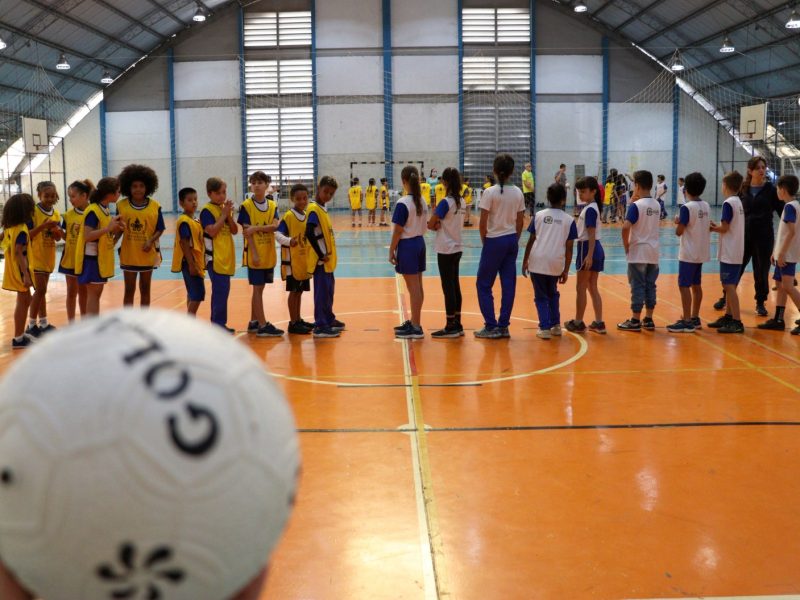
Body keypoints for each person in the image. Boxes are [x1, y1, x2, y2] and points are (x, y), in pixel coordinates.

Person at [712, 156, 784, 317]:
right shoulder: (742, 190)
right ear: (750, 171)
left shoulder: (771, 190)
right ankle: (726, 297)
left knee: (761, 271)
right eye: (758, 167)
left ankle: (760, 302)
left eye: (763, 167)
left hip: (764, 237)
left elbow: (782, 212)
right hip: (743, 237)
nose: (761, 170)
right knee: (736, 269)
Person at [475, 153, 525, 339]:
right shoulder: (518, 192)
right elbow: (520, 221)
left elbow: (483, 222)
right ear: (512, 171)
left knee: (483, 284)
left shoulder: (489, 192)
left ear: (494, 171)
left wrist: (485, 242)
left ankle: (490, 326)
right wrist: (515, 239)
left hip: (494, 240)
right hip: (511, 240)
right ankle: (503, 326)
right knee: (508, 283)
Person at [522, 183, 577, 340]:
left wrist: (525, 260)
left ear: (547, 198)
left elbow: (531, 240)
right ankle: (556, 326)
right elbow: (569, 248)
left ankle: (544, 327)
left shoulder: (538, 216)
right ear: (564, 199)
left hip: (537, 261)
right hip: (555, 263)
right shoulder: (569, 220)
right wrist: (566, 269)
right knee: (552, 293)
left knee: (540, 295)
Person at [238, 171, 282, 338]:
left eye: (259, 182)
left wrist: (256, 228)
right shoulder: (246, 206)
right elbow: (246, 232)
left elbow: (275, 226)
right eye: (253, 182)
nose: (256, 185)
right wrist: (254, 254)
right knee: (257, 289)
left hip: (268, 253)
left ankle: (253, 322)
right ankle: (263, 325)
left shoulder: (272, 205)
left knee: (260, 289)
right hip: (255, 255)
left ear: (266, 185)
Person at [116, 164, 166, 307]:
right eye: (134, 186)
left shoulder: (155, 206)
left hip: (146, 254)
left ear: (148, 187)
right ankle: (128, 322)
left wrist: (150, 241)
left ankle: (143, 322)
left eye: (141, 186)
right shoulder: (122, 205)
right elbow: (119, 228)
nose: (138, 189)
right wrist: (112, 242)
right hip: (129, 254)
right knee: (129, 290)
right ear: (128, 188)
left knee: (145, 289)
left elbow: (160, 228)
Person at [667, 172, 710, 333]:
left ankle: (686, 320)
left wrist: (677, 223)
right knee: (696, 285)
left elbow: (679, 232)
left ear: (685, 189)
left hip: (688, 252)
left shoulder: (687, 207)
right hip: (701, 252)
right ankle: (695, 317)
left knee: (684, 285)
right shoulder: (705, 205)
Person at [757, 174, 800, 334]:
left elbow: (790, 232)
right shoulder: (794, 205)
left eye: (777, 188)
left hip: (786, 255)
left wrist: (781, 253)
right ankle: (779, 319)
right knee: (781, 286)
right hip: (783, 253)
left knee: (788, 286)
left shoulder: (789, 207)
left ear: (783, 190)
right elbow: (784, 233)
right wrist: (776, 252)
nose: (776, 191)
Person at [74, 177, 124, 316]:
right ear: (110, 193)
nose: (120, 194)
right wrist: (108, 228)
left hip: (99, 258)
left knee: (96, 295)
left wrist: (117, 228)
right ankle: (91, 328)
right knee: (93, 295)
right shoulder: (93, 210)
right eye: (118, 191)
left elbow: (102, 233)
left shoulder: (104, 209)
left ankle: (92, 327)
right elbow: (88, 236)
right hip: (91, 259)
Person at [618, 170, 660, 332]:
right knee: (650, 285)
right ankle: (648, 319)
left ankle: (635, 320)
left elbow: (625, 227)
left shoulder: (636, 206)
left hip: (638, 252)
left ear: (637, 185)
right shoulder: (656, 204)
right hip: (653, 252)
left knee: (637, 285)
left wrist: (626, 245)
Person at [389, 165, 428, 339]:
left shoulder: (403, 203)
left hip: (408, 245)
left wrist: (391, 251)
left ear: (404, 181)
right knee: (418, 287)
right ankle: (414, 322)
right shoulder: (422, 200)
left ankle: (416, 326)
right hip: (420, 243)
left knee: (413, 289)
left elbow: (398, 230)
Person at [564, 176, 605, 334]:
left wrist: (589, 255)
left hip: (587, 247)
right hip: (595, 248)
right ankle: (599, 322)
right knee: (592, 287)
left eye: (583, 191)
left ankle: (578, 322)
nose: (580, 194)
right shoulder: (592, 207)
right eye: (578, 191)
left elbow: (591, 234)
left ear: (593, 191)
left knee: (581, 287)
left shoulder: (589, 210)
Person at [427, 167, 465, 338]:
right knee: (455, 285)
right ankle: (457, 322)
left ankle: (450, 325)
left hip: (445, 249)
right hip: (457, 247)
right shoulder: (461, 201)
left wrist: (436, 224)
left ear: (445, 182)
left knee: (448, 287)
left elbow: (430, 223)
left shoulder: (445, 202)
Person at [306, 176, 345, 338]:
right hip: (320, 260)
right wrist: (321, 254)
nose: (328, 195)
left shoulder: (322, 208)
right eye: (325, 192)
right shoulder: (314, 209)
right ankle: (321, 325)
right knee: (321, 293)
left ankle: (328, 318)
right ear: (318, 188)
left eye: (331, 193)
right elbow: (309, 232)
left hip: (327, 261)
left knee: (329, 291)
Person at [709, 171, 746, 334]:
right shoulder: (738, 202)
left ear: (725, 186)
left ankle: (737, 321)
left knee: (729, 286)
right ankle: (729, 316)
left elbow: (724, 228)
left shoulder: (728, 203)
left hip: (730, 252)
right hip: (736, 249)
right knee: (729, 285)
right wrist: (717, 225)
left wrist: (712, 228)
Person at [200, 177, 238, 332]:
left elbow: (235, 231)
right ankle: (217, 325)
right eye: (218, 193)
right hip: (214, 257)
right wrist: (223, 215)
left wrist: (228, 215)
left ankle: (219, 323)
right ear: (210, 194)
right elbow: (213, 231)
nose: (222, 196)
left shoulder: (224, 210)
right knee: (219, 291)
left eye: (224, 192)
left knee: (223, 292)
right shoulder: (206, 211)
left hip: (226, 256)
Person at [26, 181, 64, 337]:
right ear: (39, 196)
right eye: (46, 195)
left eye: (52, 195)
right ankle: (31, 325)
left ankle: (43, 323)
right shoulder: (33, 212)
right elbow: (27, 234)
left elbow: (56, 239)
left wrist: (57, 232)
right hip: (35, 256)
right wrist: (43, 226)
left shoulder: (56, 214)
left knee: (42, 291)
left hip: (48, 256)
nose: (49, 198)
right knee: (40, 290)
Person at [276, 183, 313, 335]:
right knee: (293, 291)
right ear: (292, 199)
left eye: (305, 198)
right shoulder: (289, 216)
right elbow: (277, 234)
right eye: (299, 199)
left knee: (299, 292)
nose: (302, 201)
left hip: (304, 261)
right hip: (292, 261)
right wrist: (290, 241)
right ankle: (292, 323)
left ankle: (298, 319)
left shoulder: (307, 215)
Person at [1, 193, 36, 349]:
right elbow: (18, 252)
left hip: (12, 269)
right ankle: (19, 338)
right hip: (20, 270)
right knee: (23, 302)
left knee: (23, 301)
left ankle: (19, 334)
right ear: (24, 211)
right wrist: (26, 274)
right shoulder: (21, 229)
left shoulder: (10, 228)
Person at [60, 180, 92, 322]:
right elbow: (67, 237)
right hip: (69, 259)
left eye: (73, 196)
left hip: (85, 259)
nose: (70, 200)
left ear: (84, 196)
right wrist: (58, 232)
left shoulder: (93, 213)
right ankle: (71, 323)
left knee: (83, 292)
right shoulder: (67, 215)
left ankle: (84, 323)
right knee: (71, 292)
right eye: (69, 197)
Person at [172, 187, 206, 316]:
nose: (194, 202)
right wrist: (191, 264)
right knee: (197, 294)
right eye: (190, 200)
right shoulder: (184, 221)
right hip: (189, 261)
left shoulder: (194, 220)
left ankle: (190, 321)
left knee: (192, 293)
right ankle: (190, 321)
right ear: (181, 203)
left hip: (196, 260)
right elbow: (184, 243)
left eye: (195, 199)